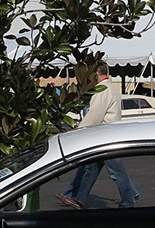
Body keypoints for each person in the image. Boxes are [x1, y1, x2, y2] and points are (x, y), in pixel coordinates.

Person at [59, 69, 139, 209]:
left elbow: (94, 115)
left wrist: (78, 133)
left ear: (97, 73)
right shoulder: (111, 89)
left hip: (104, 137)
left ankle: (129, 200)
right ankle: (78, 198)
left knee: (114, 172)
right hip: (108, 135)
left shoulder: (102, 91)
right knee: (91, 168)